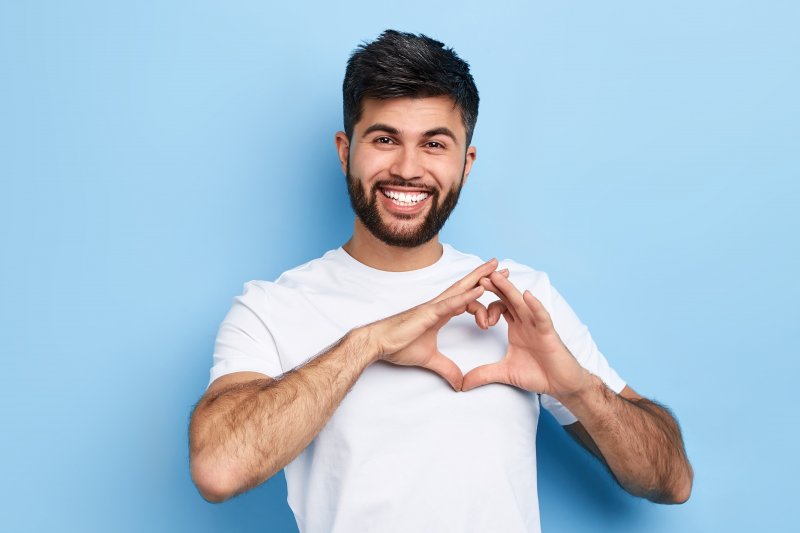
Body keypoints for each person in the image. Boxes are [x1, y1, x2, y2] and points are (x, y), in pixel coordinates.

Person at [188, 29, 693, 533]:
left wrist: (577, 387)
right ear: (345, 151)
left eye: (434, 144)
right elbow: (218, 469)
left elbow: (671, 481)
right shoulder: (273, 308)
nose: (407, 169)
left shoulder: (520, 297)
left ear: (465, 164)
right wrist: (370, 342)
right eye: (385, 139)